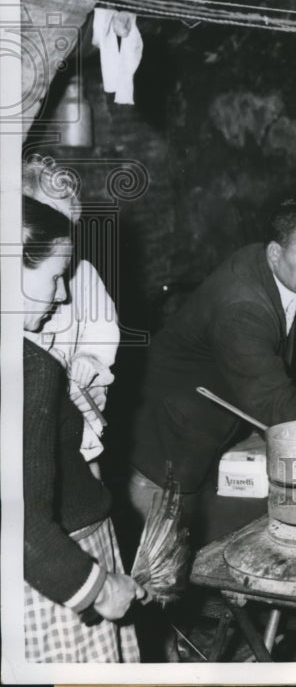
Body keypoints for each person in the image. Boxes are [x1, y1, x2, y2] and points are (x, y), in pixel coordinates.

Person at [128, 197, 296, 531]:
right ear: (276, 252)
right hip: (170, 438)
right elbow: (275, 402)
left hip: (211, 414)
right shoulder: (242, 308)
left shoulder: (271, 263)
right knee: (164, 556)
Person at [22, 194, 144, 662]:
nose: (62, 293)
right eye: (54, 276)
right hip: (56, 565)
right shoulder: (30, 367)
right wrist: (97, 587)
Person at [22, 154, 121, 471]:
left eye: (68, 227)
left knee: (91, 481)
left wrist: (92, 360)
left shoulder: (83, 276)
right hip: (34, 432)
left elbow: (104, 329)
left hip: (78, 421)